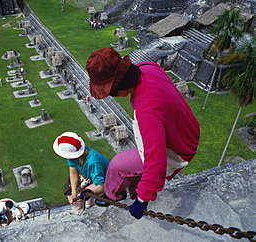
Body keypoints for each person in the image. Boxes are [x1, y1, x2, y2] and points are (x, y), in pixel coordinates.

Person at [86, 48, 200, 219]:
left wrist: (142, 200)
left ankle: (113, 195)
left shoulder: (146, 110)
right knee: (133, 166)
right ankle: (134, 191)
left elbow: (156, 159)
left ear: (119, 86)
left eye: (110, 92)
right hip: (185, 131)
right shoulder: (148, 68)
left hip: (177, 149)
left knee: (117, 166)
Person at [53, 131, 110, 213]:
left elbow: (101, 186)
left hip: (103, 179)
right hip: (89, 176)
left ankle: (89, 209)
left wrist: (90, 192)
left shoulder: (93, 163)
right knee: (73, 197)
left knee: (83, 197)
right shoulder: (75, 154)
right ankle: (78, 212)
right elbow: (73, 173)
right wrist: (73, 193)